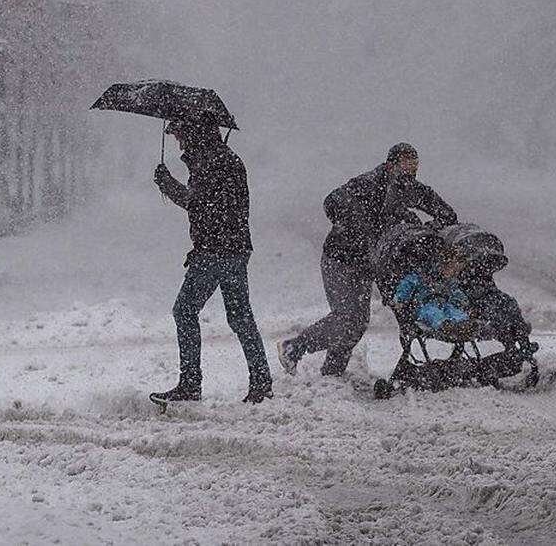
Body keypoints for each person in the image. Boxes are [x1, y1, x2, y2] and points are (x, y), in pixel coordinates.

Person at [278, 143, 457, 377]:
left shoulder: (411, 189)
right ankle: (295, 347)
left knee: (357, 321)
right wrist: (356, 229)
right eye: (406, 165)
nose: (411, 172)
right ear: (390, 164)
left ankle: (332, 373)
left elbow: (447, 214)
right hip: (340, 258)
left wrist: (425, 229)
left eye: (415, 167)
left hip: (368, 263)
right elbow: (331, 202)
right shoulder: (367, 183)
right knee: (349, 318)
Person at [150, 113, 273, 405]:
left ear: (193, 132)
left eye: (179, 133)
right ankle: (261, 382)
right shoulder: (224, 158)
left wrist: (166, 182)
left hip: (214, 250)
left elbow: (196, 203)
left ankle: (191, 385)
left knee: (184, 311)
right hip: (235, 248)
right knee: (240, 317)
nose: (177, 141)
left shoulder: (211, 162)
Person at [392, 246, 471, 336]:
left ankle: (464, 324)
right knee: (433, 313)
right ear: (443, 265)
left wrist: (463, 301)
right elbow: (407, 284)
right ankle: (444, 325)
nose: (455, 273)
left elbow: (456, 292)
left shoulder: (449, 281)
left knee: (453, 311)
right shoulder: (423, 275)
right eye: (453, 269)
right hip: (423, 305)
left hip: (443, 304)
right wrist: (400, 299)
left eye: (457, 270)